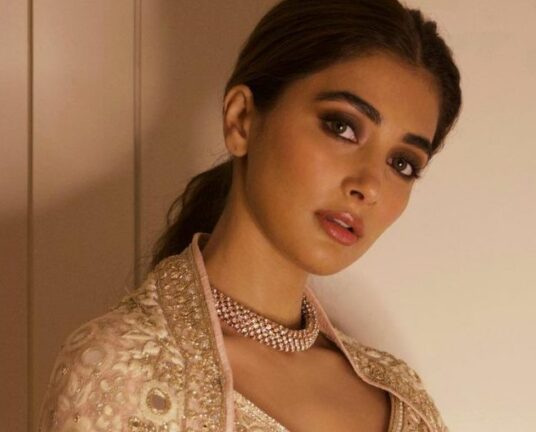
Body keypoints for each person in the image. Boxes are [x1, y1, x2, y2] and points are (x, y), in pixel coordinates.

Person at [37, 0, 461, 430]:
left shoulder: (405, 401)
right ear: (241, 120)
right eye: (342, 127)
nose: (369, 185)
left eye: (402, 163)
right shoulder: (121, 371)